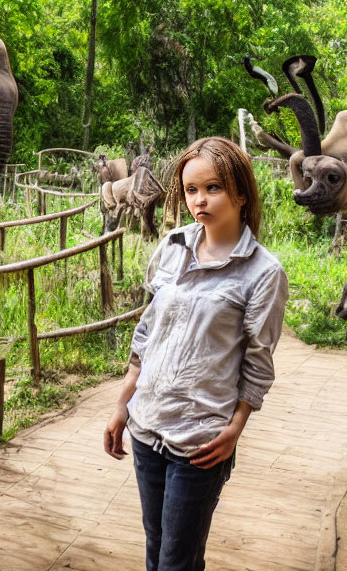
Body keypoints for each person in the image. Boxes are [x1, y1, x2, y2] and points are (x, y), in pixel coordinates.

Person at [103, 136, 289, 571]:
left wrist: (236, 428)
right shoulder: (172, 246)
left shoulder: (263, 273)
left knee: (177, 563)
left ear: (240, 192)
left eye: (213, 188)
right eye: (190, 190)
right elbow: (148, 333)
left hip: (202, 441)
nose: (199, 201)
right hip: (147, 427)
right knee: (156, 551)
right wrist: (121, 405)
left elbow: (258, 363)